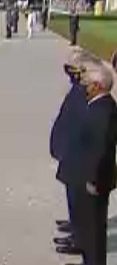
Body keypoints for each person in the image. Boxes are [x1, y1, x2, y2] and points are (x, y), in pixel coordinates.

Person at [60, 60, 117, 265]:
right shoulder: (98, 105)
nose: (86, 86)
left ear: (98, 86)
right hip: (89, 174)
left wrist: (93, 178)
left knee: (94, 225)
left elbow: (101, 149)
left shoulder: (105, 109)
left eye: (90, 83)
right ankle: (89, 263)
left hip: (96, 178)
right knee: (88, 222)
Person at [50, 50, 92, 253]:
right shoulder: (78, 89)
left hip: (78, 154)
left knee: (79, 197)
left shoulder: (87, 91)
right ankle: (76, 227)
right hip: (71, 152)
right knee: (73, 196)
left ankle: (80, 235)